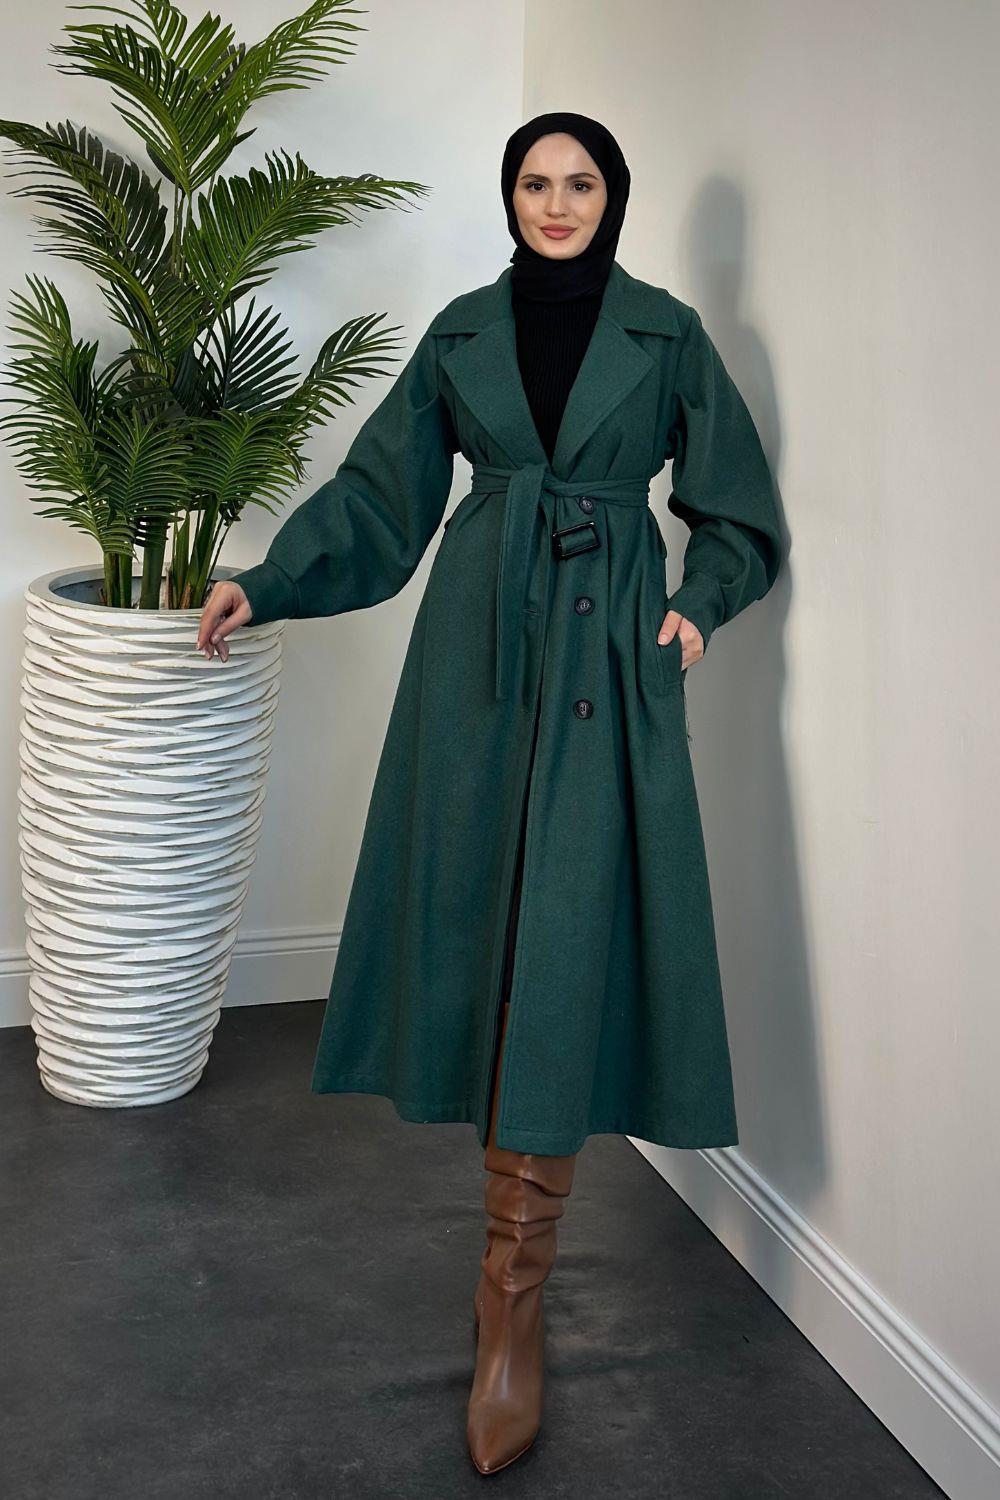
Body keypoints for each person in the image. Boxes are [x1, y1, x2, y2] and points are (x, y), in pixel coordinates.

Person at [197, 111, 782, 1476]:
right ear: (509, 196)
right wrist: (267, 584)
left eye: (580, 183)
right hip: (476, 651)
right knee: (485, 932)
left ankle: (512, 1302)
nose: (556, 202)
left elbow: (739, 508)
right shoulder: (462, 330)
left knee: (566, 945)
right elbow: (381, 499)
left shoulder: (669, 335)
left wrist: (697, 606)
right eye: (534, 182)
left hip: (609, 654)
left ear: (612, 197)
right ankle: (501, 1283)